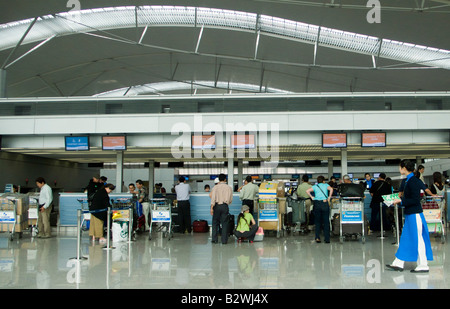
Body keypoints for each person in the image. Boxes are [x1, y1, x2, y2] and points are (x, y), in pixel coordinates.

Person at [386, 159, 434, 273]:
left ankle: (423, 264)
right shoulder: (408, 180)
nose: (399, 169)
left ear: (403, 168)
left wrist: (400, 201)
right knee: (406, 238)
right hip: (410, 214)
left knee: (418, 239)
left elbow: (415, 199)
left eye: (400, 167)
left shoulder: (413, 181)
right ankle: (399, 262)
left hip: (415, 214)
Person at [306, 176, 333, 243]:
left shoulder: (315, 186)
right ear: (323, 181)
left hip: (317, 203)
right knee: (326, 221)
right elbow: (331, 189)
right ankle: (327, 239)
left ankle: (317, 237)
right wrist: (329, 197)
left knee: (317, 222)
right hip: (324, 203)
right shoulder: (326, 185)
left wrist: (312, 197)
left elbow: (307, 191)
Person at [210, 173, 233, 244]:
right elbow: (230, 199)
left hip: (216, 206)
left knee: (215, 223)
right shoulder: (229, 188)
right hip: (224, 206)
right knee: (225, 223)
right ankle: (224, 240)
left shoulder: (215, 187)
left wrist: (211, 208)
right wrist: (226, 203)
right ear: (225, 179)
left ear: (219, 179)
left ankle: (214, 239)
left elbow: (213, 198)